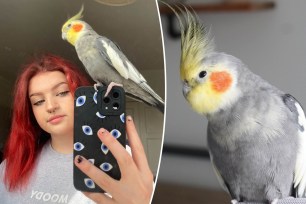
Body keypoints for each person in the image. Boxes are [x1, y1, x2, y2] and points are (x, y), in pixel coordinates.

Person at [0, 54, 153, 204]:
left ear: (81, 96)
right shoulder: (10, 166)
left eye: (62, 93)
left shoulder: (123, 158)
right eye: (38, 101)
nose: (51, 106)